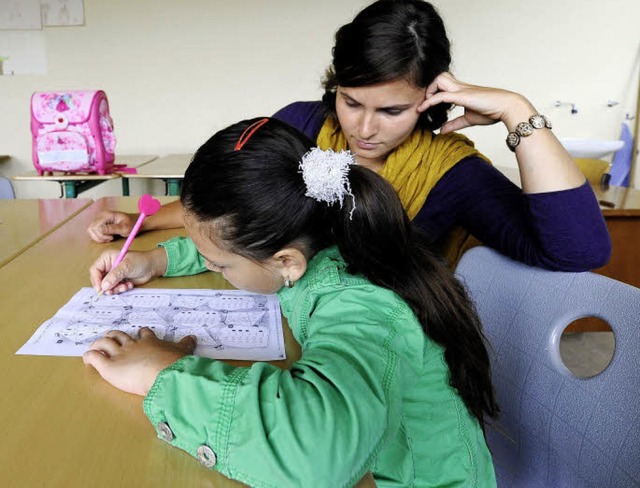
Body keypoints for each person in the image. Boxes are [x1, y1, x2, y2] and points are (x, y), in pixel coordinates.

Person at [84, 117, 499, 487]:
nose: (213, 265)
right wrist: (157, 259)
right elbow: (240, 247)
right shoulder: (324, 226)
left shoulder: (362, 303)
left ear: (287, 262)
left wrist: (162, 372)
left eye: (219, 265)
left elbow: (317, 450)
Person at [87, 0, 610, 272]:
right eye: (351, 100)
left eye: (392, 110)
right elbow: (243, 208)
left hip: (371, 353)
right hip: (284, 315)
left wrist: (519, 112)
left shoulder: (453, 173)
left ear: (431, 98)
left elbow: (576, 251)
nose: (363, 128)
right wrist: (142, 222)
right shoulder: (303, 123)